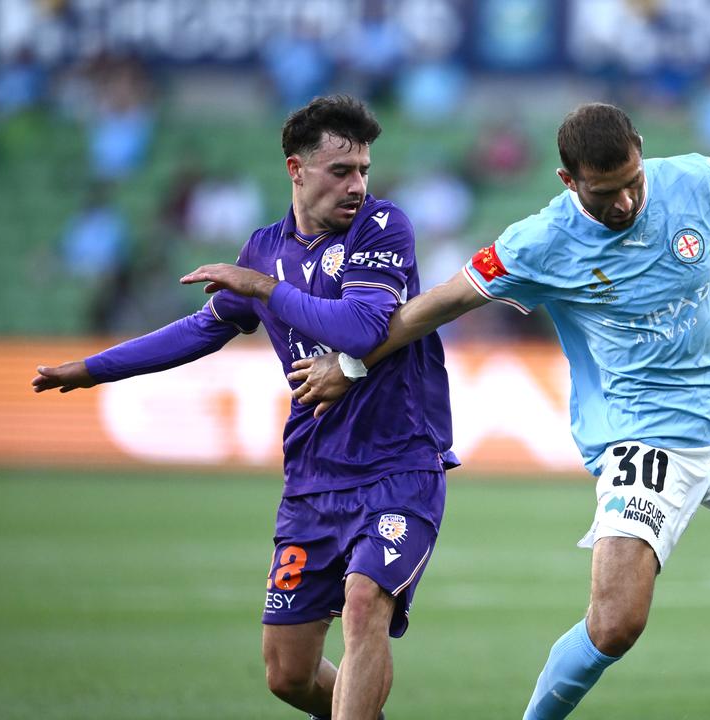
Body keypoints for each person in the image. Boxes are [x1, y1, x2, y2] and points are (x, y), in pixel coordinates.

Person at [272, 102, 710, 720]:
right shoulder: (539, 242)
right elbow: (440, 303)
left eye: (632, 182)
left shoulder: (700, 180)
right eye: (605, 194)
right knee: (616, 625)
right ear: (568, 182)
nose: (624, 203)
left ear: (642, 152)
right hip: (641, 441)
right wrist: (350, 363)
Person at [32, 95, 456, 720]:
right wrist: (95, 369)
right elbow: (201, 329)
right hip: (314, 476)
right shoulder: (264, 249)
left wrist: (263, 289)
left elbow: (362, 329)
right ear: (296, 169)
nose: (357, 185)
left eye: (364, 169)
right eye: (341, 171)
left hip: (399, 465)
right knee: (288, 674)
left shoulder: (381, 227)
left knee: (365, 603)